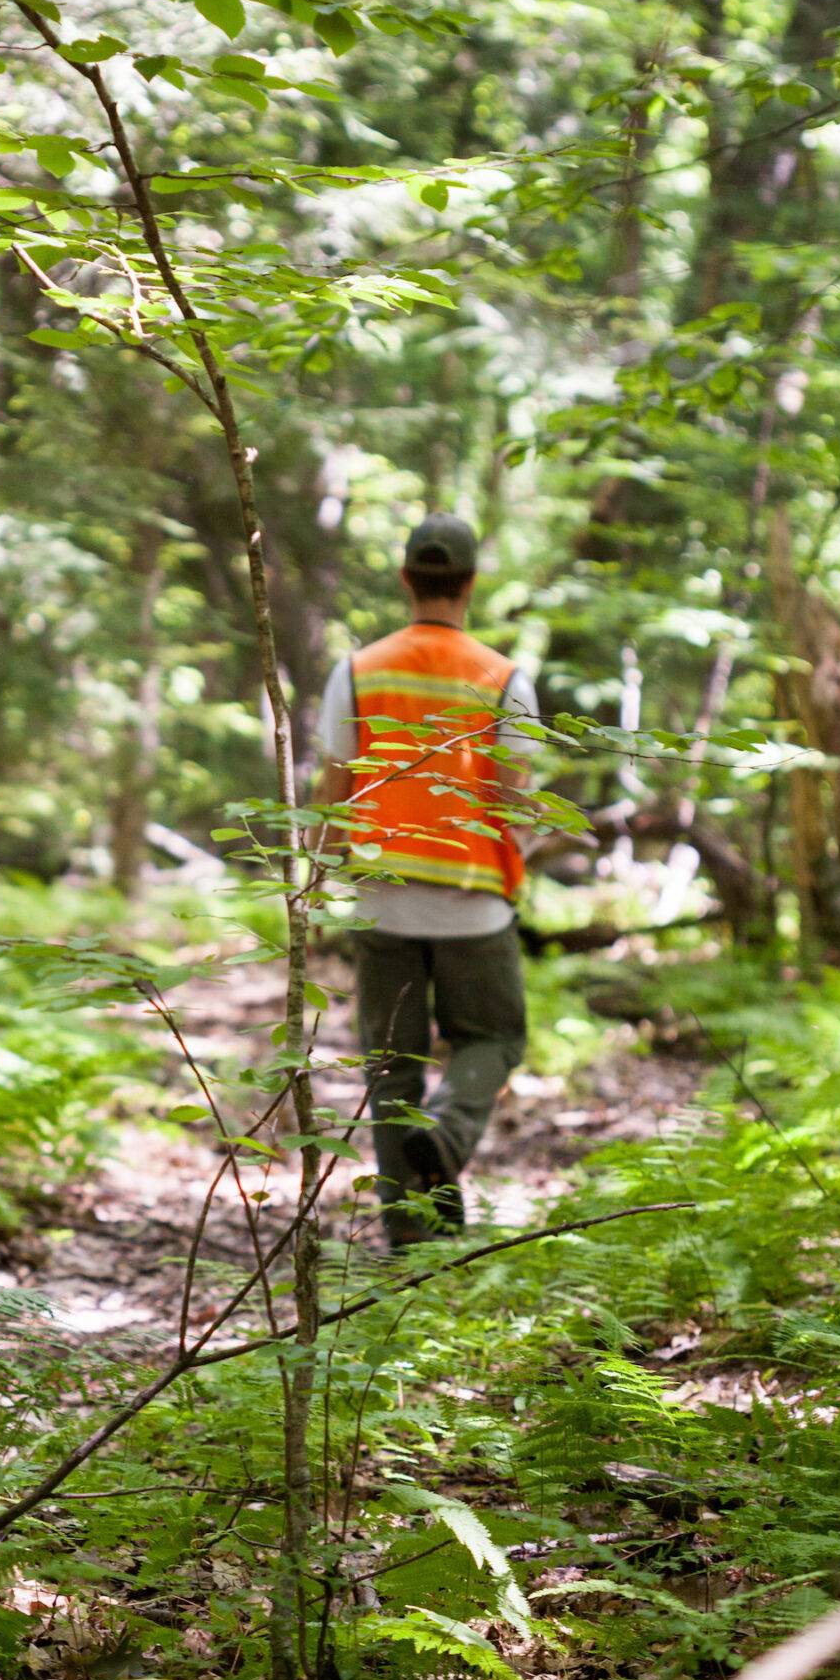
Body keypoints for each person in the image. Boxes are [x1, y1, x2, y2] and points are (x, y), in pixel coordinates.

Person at [313, 514, 538, 1248]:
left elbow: (332, 788)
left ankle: (414, 1245)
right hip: (473, 903)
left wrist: (314, 883)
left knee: (390, 1074)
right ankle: (447, 1136)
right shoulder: (502, 678)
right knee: (495, 1038)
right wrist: (517, 862)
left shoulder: (358, 670)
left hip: (381, 903)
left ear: (405, 578)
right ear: (470, 585)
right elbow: (514, 800)